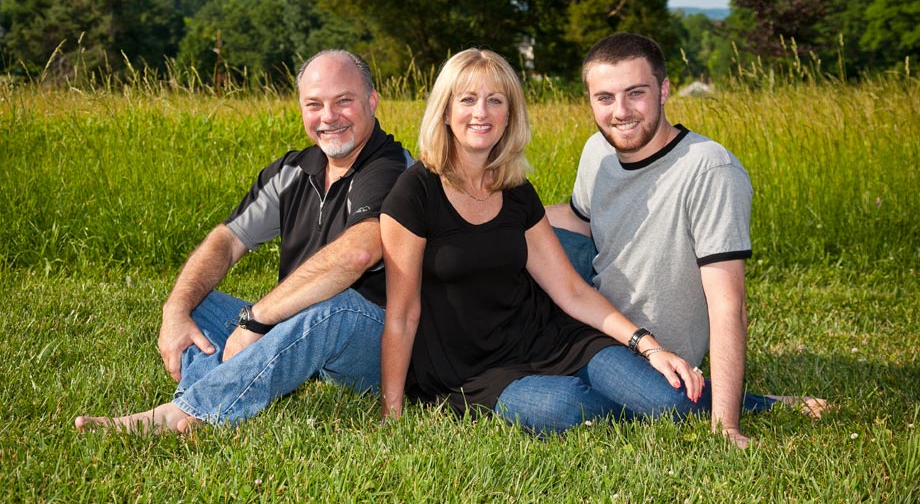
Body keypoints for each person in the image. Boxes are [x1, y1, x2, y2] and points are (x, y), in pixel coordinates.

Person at [75, 50, 411, 433]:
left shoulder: (394, 168)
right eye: (314, 105)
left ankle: (188, 412)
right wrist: (175, 311)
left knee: (336, 307)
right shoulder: (293, 170)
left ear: (371, 101)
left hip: (377, 343)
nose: (328, 117)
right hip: (303, 334)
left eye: (343, 101)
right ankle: (203, 401)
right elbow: (228, 238)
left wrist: (257, 319)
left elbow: (359, 252)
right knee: (196, 300)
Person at [378, 48, 705, 434]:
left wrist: (648, 345)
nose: (481, 113)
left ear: (509, 115)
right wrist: (391, 411)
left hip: (551, 339)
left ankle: (756, 404)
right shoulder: (415, 192)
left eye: (495, 101)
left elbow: (570, 290)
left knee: (663, 396)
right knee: (567, 409)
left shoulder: (515, 188)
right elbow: (402, 315)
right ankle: (642, 409)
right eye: (467, 99)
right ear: (445, 112)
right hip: (471, 372)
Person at [546, 32, 826, 448]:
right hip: (598, 324)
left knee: (660, 405)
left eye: (635, 93)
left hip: (659, 351)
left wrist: (726, 426)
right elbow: (576, 220)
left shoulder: (710, 170)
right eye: (604, 98)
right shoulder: (597, 151)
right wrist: (492, 210)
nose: (620, 112)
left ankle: (755, 403)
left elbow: (728, 304)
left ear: (663, 90)